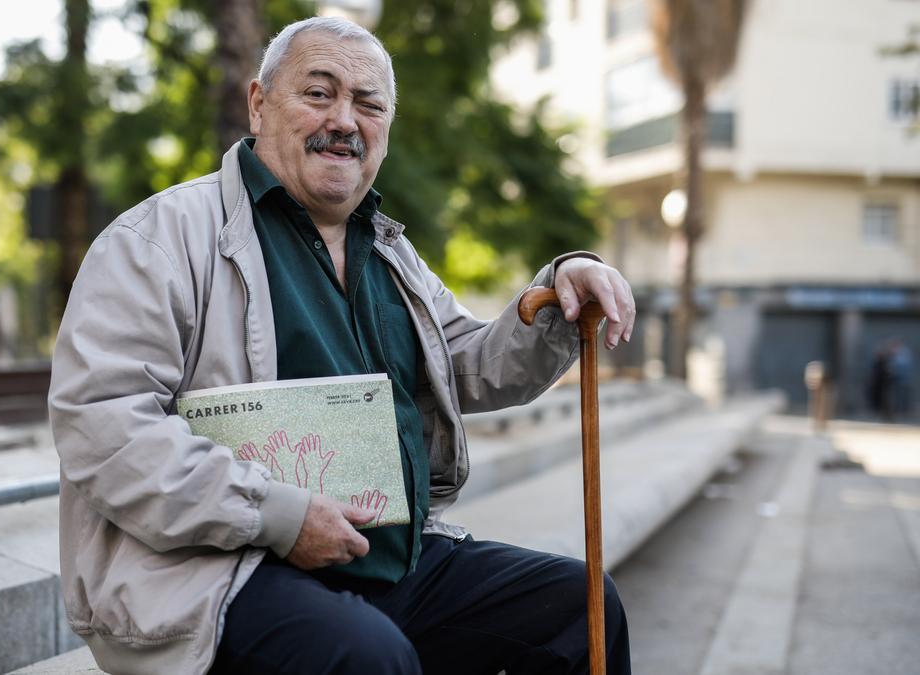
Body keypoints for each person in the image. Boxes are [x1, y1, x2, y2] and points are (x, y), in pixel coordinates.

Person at [49, 16, 636, 675]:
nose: (345, 119)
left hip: (383, 563)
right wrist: (281, 516)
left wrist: (558, 295)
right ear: (258, 103)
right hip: (214, 574)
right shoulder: (157, 239)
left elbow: (470, 364)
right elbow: (104, 426)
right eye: (319, 93)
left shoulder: (387, 251)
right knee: (364, 654)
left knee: (577, 605)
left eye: (368, 103)